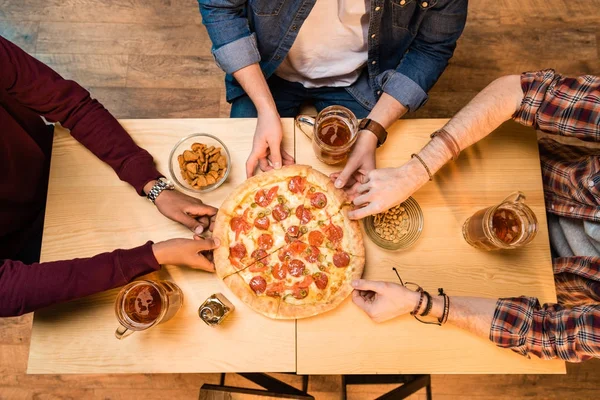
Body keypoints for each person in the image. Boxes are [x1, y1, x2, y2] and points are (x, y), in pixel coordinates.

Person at [351, 69, 600, 362]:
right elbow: (517, 92)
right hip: (518, 169)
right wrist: (414, 173)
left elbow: (545, 332)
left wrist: (422, 303)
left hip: (537, 282)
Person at [0, 36, 220, 317]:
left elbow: (71, 106)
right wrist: (152, 257)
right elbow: (7, 288)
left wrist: (154, 187)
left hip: (61, 165)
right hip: (20, 247)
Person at [198, 0, 468, 177]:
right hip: (267, 73)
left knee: (364, 183)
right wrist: (265, 108)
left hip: (362, 79)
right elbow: (219, 7)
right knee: (243, 171)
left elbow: (432, 48)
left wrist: (373, 129)